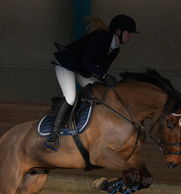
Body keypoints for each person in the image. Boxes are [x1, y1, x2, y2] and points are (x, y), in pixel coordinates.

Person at [45, 14, 139, 151]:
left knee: (100, 92)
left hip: (81, 70)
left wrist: (107, 80)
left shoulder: (115, 48)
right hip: (67, 66)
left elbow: (101, 69)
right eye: (129, 32)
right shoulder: (101, 37)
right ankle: (53, 135)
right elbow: (87, 62)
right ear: (118, 31)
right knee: (70, 98)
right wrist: (104, 76)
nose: (131, 36)